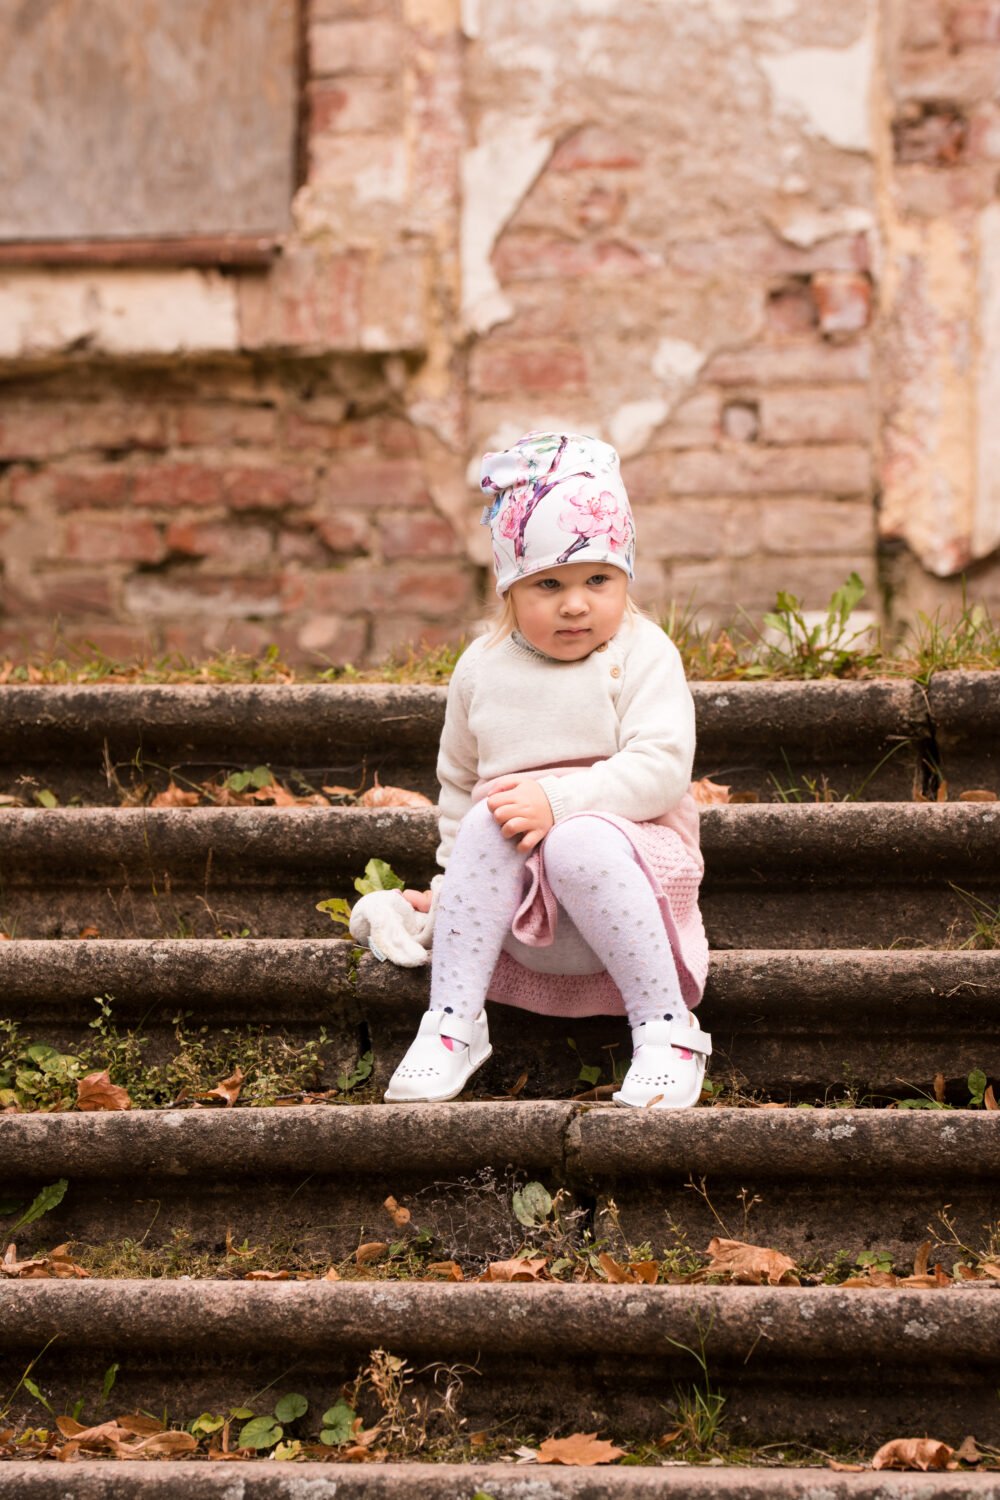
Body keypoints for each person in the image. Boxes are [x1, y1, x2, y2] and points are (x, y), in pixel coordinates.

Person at [384, 430, 710, 1108]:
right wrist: (453, 886)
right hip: (520, 903)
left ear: (624, 578)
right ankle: (453, 1022)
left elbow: (660, 770)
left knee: (576, 837)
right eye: (548, 584)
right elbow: (458, 784)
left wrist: (558, 803)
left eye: (598, 579)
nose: (575, 603)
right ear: (509, 588)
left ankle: (667, 1029)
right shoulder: (481, 668)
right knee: (488, 816)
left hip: (630, 866)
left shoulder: (644, 653)